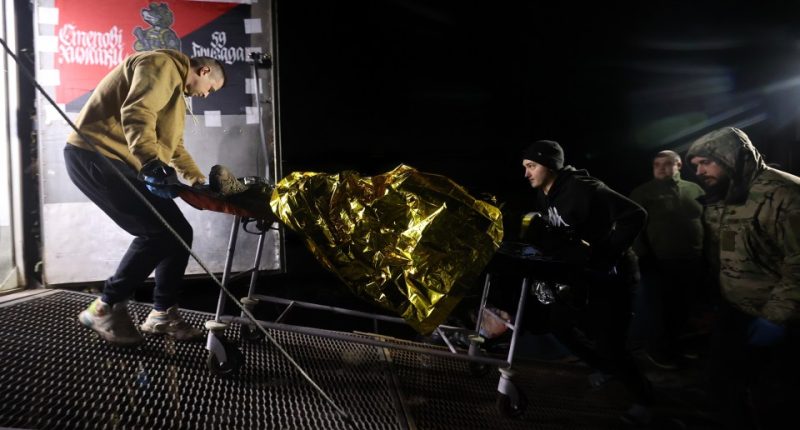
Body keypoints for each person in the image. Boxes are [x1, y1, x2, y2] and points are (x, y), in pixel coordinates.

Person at [64, 49, 226, 346]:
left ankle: (162, 314)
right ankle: (104, 307)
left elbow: (174, 148)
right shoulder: (161, 64)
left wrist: (200, 182)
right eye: (211, 89)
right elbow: (137, 112)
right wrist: (151, 162)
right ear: (204, 72)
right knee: (156, 233)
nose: (206, 95)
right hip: (95, 154)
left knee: (178, 232)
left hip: (117, 161)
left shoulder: (175, 94)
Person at [520, 140, 654, 425]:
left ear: (550, 165)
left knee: (611, 344)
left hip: (613, 277)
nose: (526, 173)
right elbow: (561, 234)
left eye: (531, 166)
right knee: (558, 324)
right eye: (525, 167)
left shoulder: (584, 188)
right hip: (583, 276)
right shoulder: (544, 194)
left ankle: (646, 402)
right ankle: (604, 368)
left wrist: (604, 256)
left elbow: (635, 215)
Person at [687, 127, 800, 430]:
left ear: (731, 158)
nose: (699, 171)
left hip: (781, 320)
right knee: (721, 384)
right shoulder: (720, 195)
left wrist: (777, 318)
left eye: (705, 163)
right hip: (734, 311)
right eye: (695, 165)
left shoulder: (785, 194)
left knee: (775, 399)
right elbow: (719, 256)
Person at [629, 150, 705, 369]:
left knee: (682, 308)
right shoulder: (643, 192)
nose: (660, 168)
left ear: (678, 165)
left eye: (666, 163)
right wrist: (644, 256)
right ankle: (656, 351)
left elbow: (706, 221)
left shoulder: (694, 190)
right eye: (656, 164)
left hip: (691, 260)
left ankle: (675, 347)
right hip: (659, 262)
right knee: (659, 310)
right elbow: (633, 228)